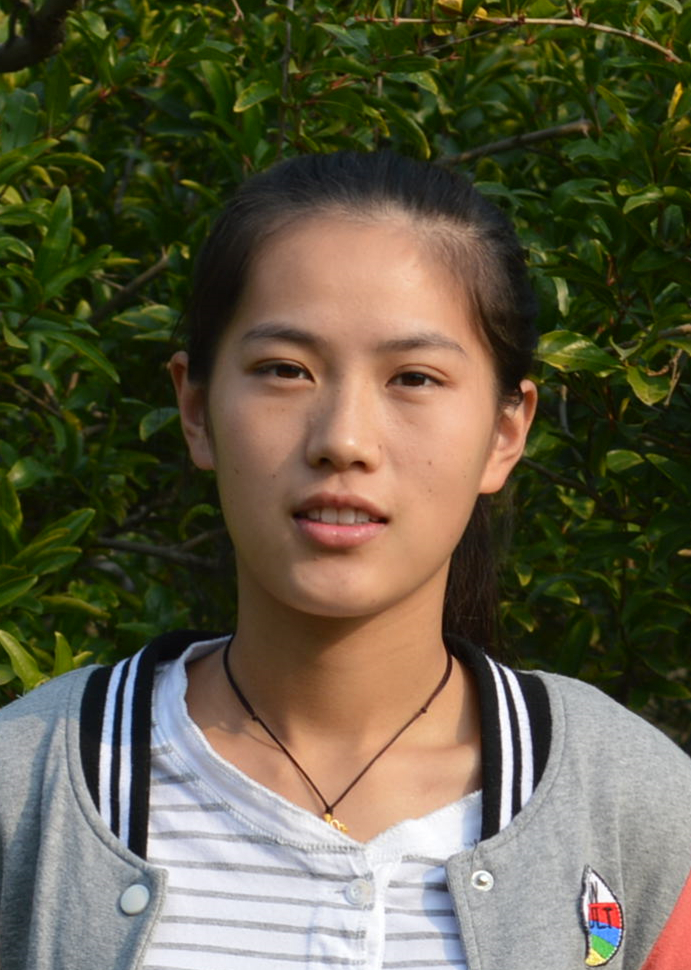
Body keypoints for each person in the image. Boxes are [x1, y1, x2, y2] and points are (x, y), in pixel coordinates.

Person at [1, 151, 690, 970]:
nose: (344, 440)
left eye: (414, 378)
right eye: (285, 370)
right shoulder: (27, 786)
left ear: (505, 432)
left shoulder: (635, 809)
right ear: (196, 409)